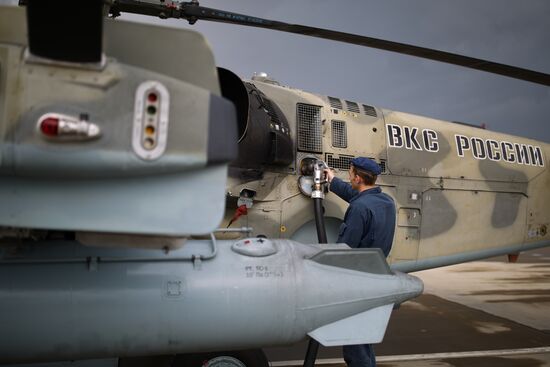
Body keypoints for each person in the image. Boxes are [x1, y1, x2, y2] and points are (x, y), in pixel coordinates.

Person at [324, 157, 396, 367]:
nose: (349, 176)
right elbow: (357, 196)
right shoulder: (386, 202)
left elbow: (344, 250)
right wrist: (332, 180)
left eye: (350, 173)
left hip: (356, 281)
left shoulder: (359, 209)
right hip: (376, 275)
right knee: (364, 341)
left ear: (357, 178)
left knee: (355, 348)